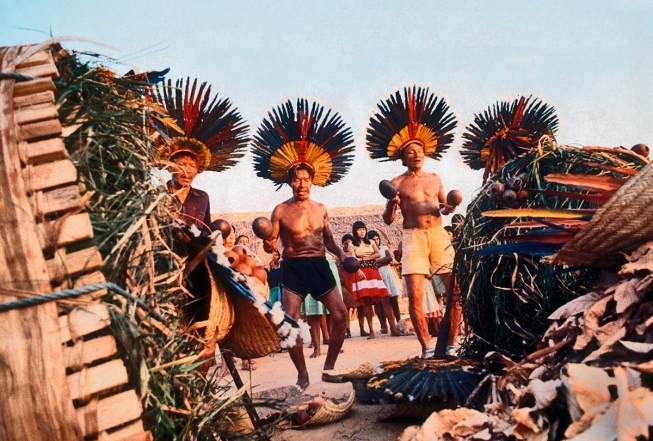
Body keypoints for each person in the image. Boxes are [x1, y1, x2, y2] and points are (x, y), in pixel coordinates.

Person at [251, 98, 355, 390]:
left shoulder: (321, 208)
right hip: (294, 268)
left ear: (313, 181)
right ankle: (302, 373)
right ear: (290, 182)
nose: (302, 184)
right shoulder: (281, 210)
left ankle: (329, 366)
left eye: (306, 179)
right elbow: (272, 243)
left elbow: (330, 240)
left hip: (319, 264)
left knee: (340, 314)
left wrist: (344, 254)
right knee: (289, 321)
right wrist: (270, 246)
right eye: (297, 180)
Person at [368, 86, 459, 357]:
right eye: (410, 151)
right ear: (403, 156)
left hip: (439, 235)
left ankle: (452, 344)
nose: (416, 154)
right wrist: (390, 204)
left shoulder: (436, 178)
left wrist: (450, 206)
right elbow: (387, 219)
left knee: (455, 290)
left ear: (425, 152)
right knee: (415, 294)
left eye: (419, 149)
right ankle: (427, 347)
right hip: (413, 237)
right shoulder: (397, 183)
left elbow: (445, 208)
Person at [345, 221, 402, 338]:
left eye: (363, 229)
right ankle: (371, 331)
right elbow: (353, 258)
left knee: (385, 298)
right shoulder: (352, 245)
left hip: (374, 272)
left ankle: (393, 328)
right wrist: (359, 269)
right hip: (362, 273)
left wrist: (363, 259)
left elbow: (377, 254)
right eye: (359, 229)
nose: (362, 231)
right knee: (367, 302)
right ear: (355, 231)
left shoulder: (371, 242)